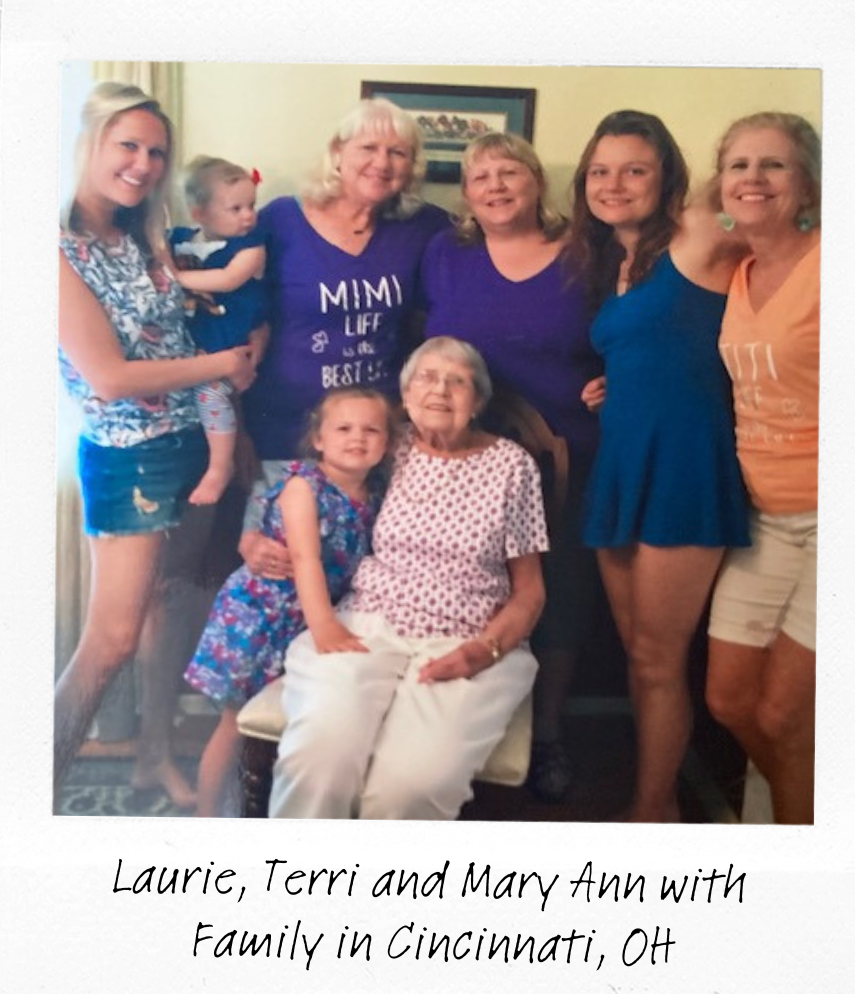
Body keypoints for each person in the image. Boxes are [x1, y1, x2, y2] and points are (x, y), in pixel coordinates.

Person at [55, 82, 256, 804]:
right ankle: (31, 787)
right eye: (127, 146)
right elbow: (106, 376)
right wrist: (222, 367)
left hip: (193, 443)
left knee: (174, 609)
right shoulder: (51, 246)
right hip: (127, 456)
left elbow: (176, 321)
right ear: (91, 144)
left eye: (154, 151)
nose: (142, 164)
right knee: (109, 638)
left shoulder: (144, 234)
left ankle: (151, 755)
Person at [268, 337, 549, 820]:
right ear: (406, 394)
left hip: (468, 636)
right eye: (427, 377)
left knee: (411, 784)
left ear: (477, 401)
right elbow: (306, 491)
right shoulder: (382, 444)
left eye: (457, 381)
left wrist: (486, 650)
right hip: (367, 624)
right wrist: (254, 539)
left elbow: (530, 590)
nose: (440, 390)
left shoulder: (512, 465)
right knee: (320, 755)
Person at [564, 109, 751, 822]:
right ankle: (660, 801)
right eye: (600, 171)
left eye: (633, 169)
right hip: (623, 462)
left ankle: (649, 817)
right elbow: (660, 344)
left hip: (683, 468)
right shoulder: (615, 260)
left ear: (665, 175)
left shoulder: (703, 232)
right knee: (638, 654)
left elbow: (790, 239)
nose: (613, 184)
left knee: (658, 660)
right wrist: (616, 384)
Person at [420, 131, 603, 802]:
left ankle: (546, 732)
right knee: (463, 592)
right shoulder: (445, 253)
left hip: (564, 461)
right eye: (480, 177)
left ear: (536, 182)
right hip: (461, 463)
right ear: (466, 195)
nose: (495, 185)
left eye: (509, 172)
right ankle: (462, 729)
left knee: (557, 599)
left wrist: (616, 380)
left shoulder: (585, 253)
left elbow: (622, 334)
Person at [239, 97, 448, 579]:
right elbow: (240, 320)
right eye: (368, 147)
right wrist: (236, 426)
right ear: (338, 153)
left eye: (398, 152)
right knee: (281, 571)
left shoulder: (426, 228)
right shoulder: (280, 221)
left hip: (377, 441)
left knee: (366, 573)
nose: (382, 162)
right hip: (283, 433)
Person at [185, 387, 393, 817]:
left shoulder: (374, 494)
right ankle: (205, 823)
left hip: (307, 619)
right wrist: (325, 628)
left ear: (387, 442)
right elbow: (305, 559)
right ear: (318, 439)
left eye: (371, 429)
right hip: (262, 619)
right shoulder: (303, 486)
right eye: (343, 428)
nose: (358, 437)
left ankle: (271, 813)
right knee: (236, 725)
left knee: (294, 727)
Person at [705, 113, 820, 825]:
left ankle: (800, 859)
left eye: (772, 165)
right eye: (737, 164)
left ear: (806, 182)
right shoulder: (738, 269)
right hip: (766, 516)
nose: (751, 179)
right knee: (727, 699)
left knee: (780, 713)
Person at [169, 156, 269, 505]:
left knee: (211, 395)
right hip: (195, 345)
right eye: (236, 208)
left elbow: (227, 280)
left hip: (232, 344)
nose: (248, 215)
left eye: (251, 205)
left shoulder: (249, 248)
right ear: (200, 213)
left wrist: (174, 280)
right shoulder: (180, 240)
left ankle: (220, 466)